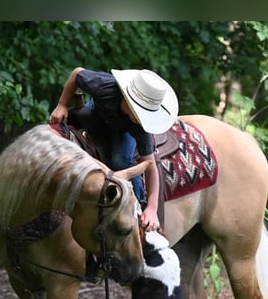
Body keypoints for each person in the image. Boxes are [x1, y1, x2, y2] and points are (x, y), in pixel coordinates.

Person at [49, 67, 178, 233]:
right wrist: (62, 104)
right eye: (143, 113)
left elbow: (149, 165)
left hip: (123, 130)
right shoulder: (105, 87)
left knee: (121, 160)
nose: (144, 120)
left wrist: (152, 208)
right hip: (98, 112)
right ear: (130, 101)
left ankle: (136, 206)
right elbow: (77, 74)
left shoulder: (140, 127)